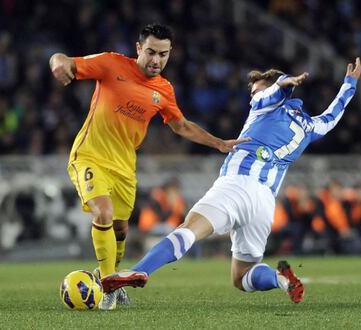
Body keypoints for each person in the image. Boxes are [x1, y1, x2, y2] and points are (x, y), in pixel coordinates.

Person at [101, 58, 361, 304]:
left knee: (188, 229)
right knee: (241, 276)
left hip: (237, 185)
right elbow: (331, 117)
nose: (253, 98)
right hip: (264, 202)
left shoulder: (265, 104)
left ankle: (138, 271)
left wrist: (283, 82)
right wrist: (349, 85)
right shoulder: (308, 127)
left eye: (256, 92)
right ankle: (278, 277)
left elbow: (272, 92)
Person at [49, 23, 248, 310]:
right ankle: (108, 285)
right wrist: (58, 63)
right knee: (102, 212)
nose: (156, 60)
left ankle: (108, 277)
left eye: (163, 55)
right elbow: (64, 59)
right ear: (139, 48)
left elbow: (180, 125)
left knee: (120, 230)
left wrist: (217, 143)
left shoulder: (164, 90)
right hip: (89, 156)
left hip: (125, 167)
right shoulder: (111, 63)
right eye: (152, 52)